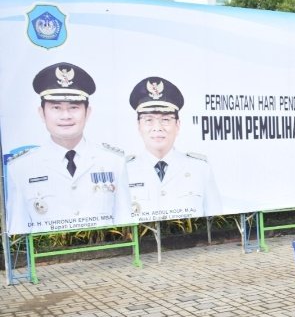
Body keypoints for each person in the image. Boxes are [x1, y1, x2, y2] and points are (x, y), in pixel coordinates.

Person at [6, 62, 131, 234]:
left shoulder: (113, 161)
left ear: (87, 113)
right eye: (56, 107)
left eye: (74, 107)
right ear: (42, 113)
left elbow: (124, 219)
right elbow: (18, 227)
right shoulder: (20, 168)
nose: (65, 116)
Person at [127, 76, 221, 222]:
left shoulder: (200, 168)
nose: (157, 128)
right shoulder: (125, 171)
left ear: (177, 125)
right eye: (149, 120)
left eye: (166, 119)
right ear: (138, 125)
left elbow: (215, 215)